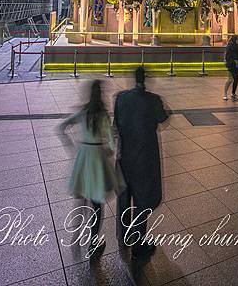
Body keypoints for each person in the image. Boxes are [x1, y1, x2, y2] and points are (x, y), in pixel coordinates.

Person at [61, 79, 123, 258]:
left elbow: (62, 127)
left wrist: (72, 147)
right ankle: (93, 241)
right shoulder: (103, 114)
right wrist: (110, 150)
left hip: (84, 155)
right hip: (97, 157)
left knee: (81, 199)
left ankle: (76, 235)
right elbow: (110, 140)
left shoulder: (83, 111)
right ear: (101, 94)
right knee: (97, 203)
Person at [114, 66, 168, 260]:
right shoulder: (153, 100)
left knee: (124, 196)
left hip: (124, 154)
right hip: (144, 158)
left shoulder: (121, 98)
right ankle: (138, 243)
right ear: (146, 80)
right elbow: (164, 118)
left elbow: (117, 123)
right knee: (142, 199)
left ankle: (123, 234)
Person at [223, 35, 238, 101]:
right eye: (237, 40)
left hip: (237, 65)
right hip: (231, 65)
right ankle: (225, 94)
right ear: (234, 39)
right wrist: (228, 62)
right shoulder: (230, 45)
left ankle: (233, 94)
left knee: (236, 80)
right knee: (230, 79)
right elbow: (227, 55)